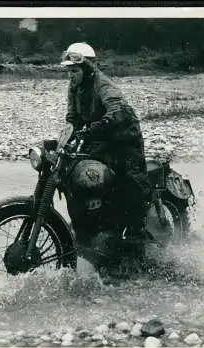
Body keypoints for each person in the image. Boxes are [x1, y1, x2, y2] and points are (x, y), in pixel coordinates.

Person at [60, 42, 153, 247]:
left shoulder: (103, 84)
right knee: (75, 173)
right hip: (99, 140)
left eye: (74, 70)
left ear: (87, 69)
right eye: (68, 71)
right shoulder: (74, 87)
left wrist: (97, 126)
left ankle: (136, 237)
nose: (70, 75)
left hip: (123, 138)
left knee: (131, 180)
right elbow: (72, 117)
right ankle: (86, 227)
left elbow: (117, 109)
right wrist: (64, 141)